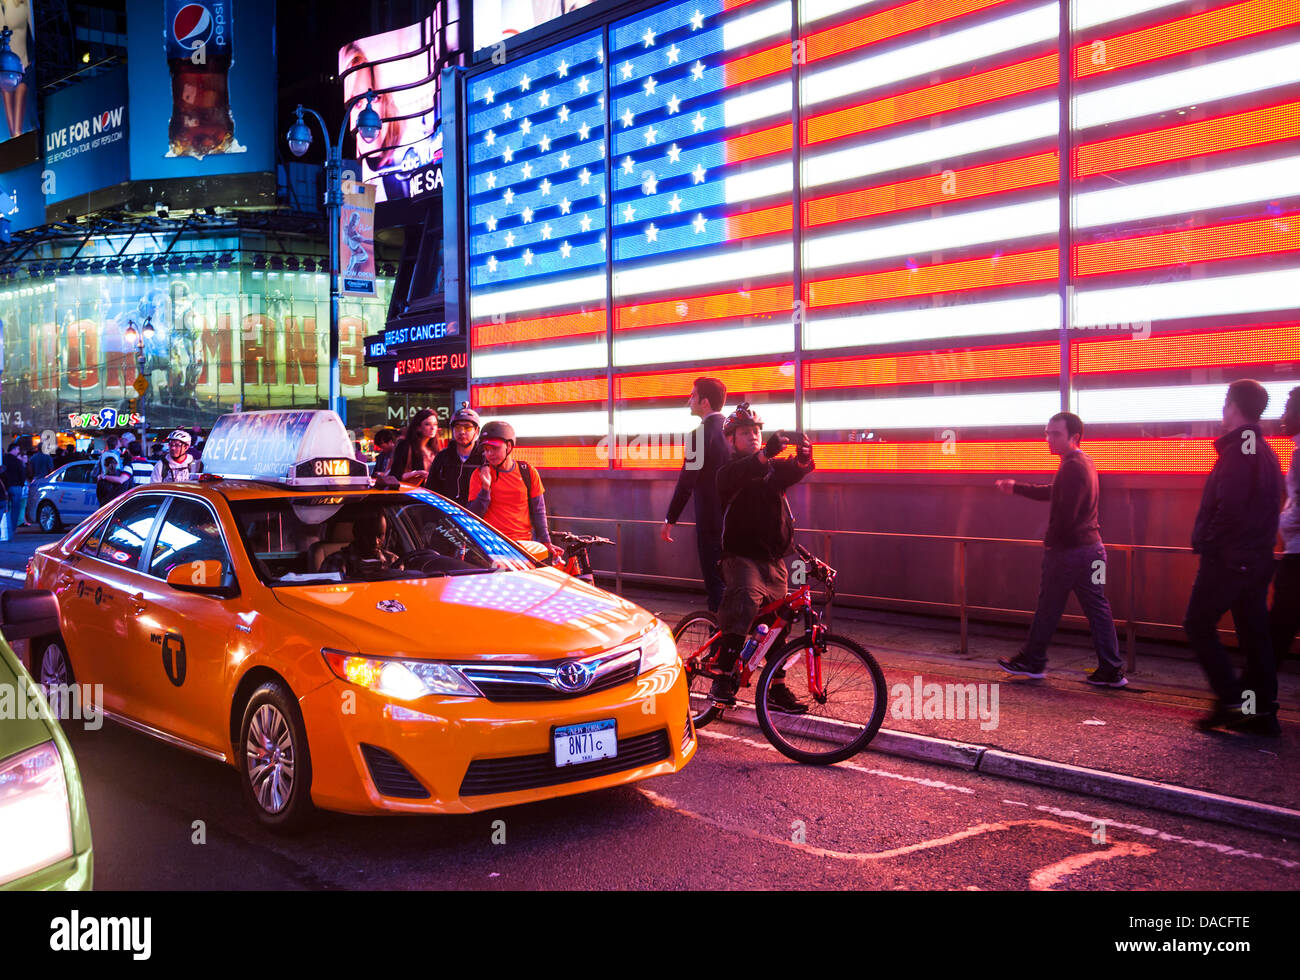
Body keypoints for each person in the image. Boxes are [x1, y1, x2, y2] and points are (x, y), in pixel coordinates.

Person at [995, 412, 1127, 686]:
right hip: (1092, 549)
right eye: (1047, 433)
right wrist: (1017, 488)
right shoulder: (1085, 462)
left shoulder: (1071, 465)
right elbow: (1054, 492)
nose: (1048, 439)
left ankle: (1033, 661)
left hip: (1070, 552)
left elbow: (1065, 511)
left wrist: (1052, 542)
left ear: (1074, 436)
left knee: (1049, 606)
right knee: (1097, 608)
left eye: (1055, 434)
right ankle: (1111, 669)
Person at [1185, 380, 1284, 735]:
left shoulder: (1241, 449)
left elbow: (1230, 508)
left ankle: (1232, 700)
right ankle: (1260, 711)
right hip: (1255, 558)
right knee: (1255, 635)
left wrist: (1208, 542)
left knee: (1197, 623)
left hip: (1230, 559)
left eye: (1224, 404)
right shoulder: (1263, 449)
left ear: (1232, 405)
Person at [708, 403, 815, 712]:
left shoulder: (770, 469)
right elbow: (743, 471)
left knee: (777, 625)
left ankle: (775, 687)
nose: (753, 436)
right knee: (744, 601)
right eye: (745, 432)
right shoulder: (727, 472)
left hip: (773, 560)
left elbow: (795, 470)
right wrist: (765, 454)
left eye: (756, 431)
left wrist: (804, 457)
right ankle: (722, 675)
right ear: (731, 439)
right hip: (740, 557)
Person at [661, 377, 732, 612]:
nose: (688, 400)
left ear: (705, 402)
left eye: (693, 396)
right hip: (737, 520)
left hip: (711, 522)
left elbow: (686, 482)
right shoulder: (734, 432)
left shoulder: (698, 435)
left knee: (716, 586)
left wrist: (670, 519)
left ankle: (721, 641)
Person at [467, 420, 559, 554]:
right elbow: (473, 516)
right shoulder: (479, 475)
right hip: (491, 546)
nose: (489, 454)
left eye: (495, 448)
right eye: (486, 450)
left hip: (524, 547)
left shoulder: (528, 471)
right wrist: (485, 489)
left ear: (509, 446)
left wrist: (546, 542)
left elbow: (539, 511)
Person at [427, 403, 484, 505]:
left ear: (476, 431)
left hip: (476, 516)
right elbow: (431, 490)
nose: (462, 432)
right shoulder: (442, 457)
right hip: (446, 515)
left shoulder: (484, 458)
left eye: (467, 428)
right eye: (457, 427)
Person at [321, 512, 404, 578]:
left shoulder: (393, 561)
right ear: (356, 533)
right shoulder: (336, 561)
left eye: (380, 535)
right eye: (368, 535)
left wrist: (388, 573)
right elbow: (331, 596)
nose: (375, 542)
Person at [388, 408, 442, 484]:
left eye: (435, 424)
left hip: (432, 494)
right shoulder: (405, 446)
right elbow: (395, 475)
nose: (433, 428)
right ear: (418, 427)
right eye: (427, 424)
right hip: (412, 493)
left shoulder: (435, 449)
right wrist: (416, 473)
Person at [3, 442, 25, 533]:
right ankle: (12, 528)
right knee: (16, 508)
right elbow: (22, 474)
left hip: (5, 487)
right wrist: (21, 484)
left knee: (5, 508)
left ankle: (5, 528)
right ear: (14, 449)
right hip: (16, 486)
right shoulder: (18, 462)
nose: (18, 451)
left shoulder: (3, 459)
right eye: (18, 449)